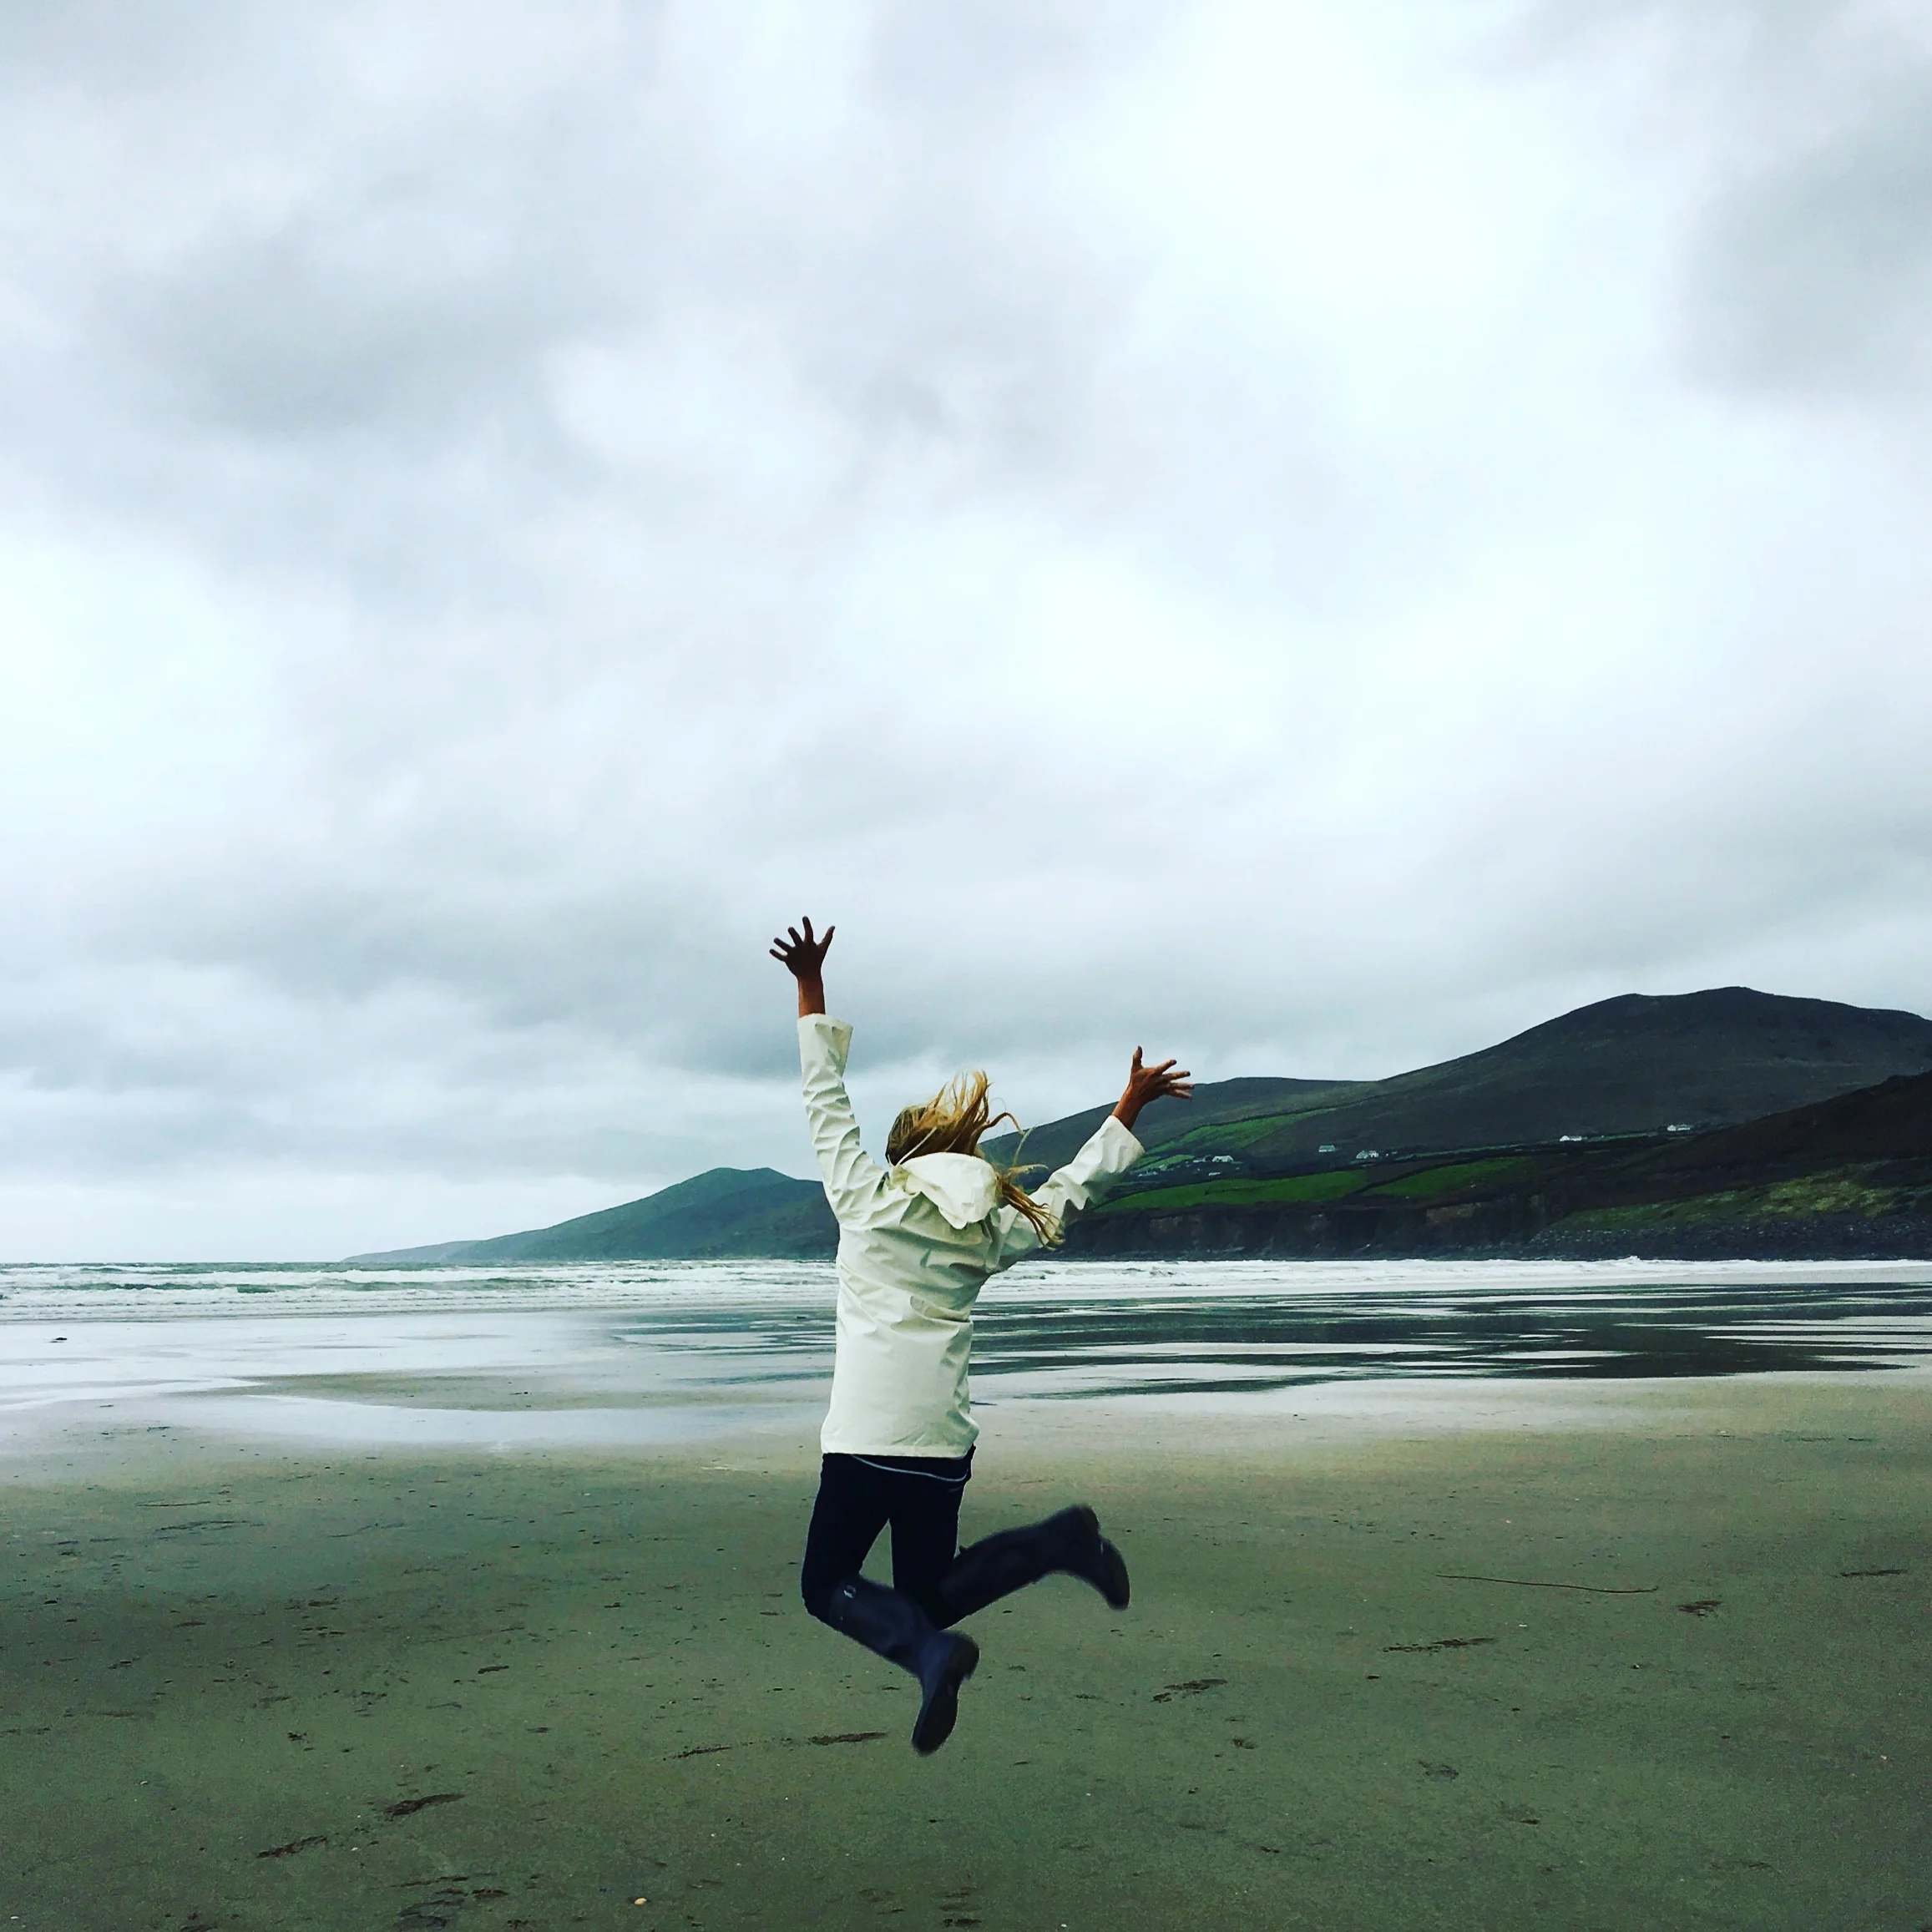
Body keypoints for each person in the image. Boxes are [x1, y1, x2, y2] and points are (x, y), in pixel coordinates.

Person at [771, 916, 1191, 1753]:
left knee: (828, 1585)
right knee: (929, 1586)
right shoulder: (985, 1229)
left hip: (867, 1436)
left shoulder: (867, 1198)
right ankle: (1055, 1544)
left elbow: (826, 1101)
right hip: (939, 1442)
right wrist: (1126, 1111)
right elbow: (1070, 1194)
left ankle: (930, 1653)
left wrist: (810, 984)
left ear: (901, 1159)